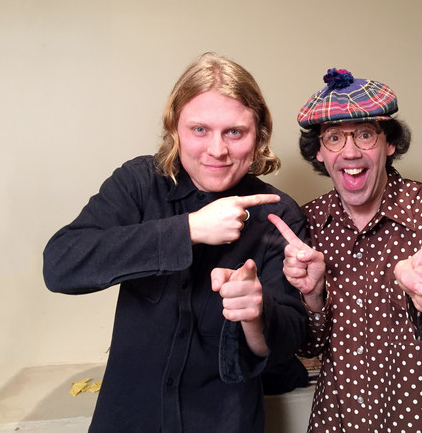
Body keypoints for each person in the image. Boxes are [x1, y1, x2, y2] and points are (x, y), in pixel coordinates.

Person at [43, 52, 309, 432]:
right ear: (175, 128)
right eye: (199, 129)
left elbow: (286, 344)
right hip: (129, 419)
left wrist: (256, 313)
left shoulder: (279, 214)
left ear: (259, 135)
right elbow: (61, 265)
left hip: (224, 422)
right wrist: (188, 229)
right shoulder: (138, 183)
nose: (217, 150)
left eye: (234, 132)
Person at [268, 68, 422, 432]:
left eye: (365, 134)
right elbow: (308, 348)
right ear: (319, 152)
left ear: (389, 143)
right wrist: (313, 297)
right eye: (334, 138)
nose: (350, 152)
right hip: (338, 421)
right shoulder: (308, 221)